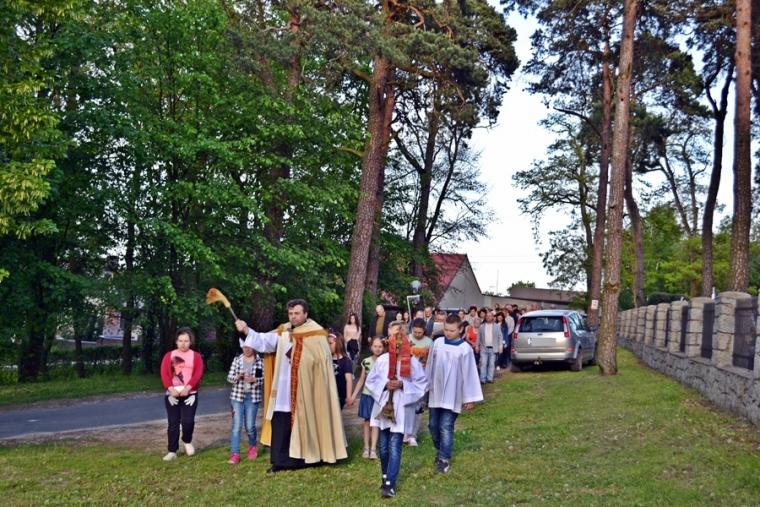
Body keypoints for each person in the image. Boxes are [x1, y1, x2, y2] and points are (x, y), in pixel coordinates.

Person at [234, 299, 347, 473]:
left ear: (306, 314)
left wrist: (299, 357)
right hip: (283, 388)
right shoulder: (284, 332)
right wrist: (246, 330)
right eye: (290, 313)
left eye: (297, 313)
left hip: (307, 388)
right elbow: (264, 341)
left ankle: (311, 458)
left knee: (308, 420)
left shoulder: (316, 334)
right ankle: (280, 461)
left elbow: (320, 363)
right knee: (280, 421)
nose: (293, 317)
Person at [365, 322, 427, 498]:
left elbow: (421, 384)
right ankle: (385, 476)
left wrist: (403, 385)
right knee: (384, 447)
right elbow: (371, 381)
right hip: (384, 406)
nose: (397, 343)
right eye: (394, 338)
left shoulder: (412, 362)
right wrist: (385, 384)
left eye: (401, 339)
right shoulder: (383, 360)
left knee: (394, 446)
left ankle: (390, 484)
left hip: (401, 408)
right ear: (389, 340)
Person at [426, 314, 483, 473]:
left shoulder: (465, 349)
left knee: (446, 426)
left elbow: (469, 374)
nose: (448, 333)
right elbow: (430, 365)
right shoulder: (437, 343)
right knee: (433, 425)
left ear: (460, 329)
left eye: (452, 330)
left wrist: (469, 398)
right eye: (446, 329)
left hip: (453, 394)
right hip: (436, 392)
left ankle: (444, 459)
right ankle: (440, 449)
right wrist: (425, 385)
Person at [160, 327, 205, 461]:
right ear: (176, 341)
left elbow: (198, 373)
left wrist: (189, 387)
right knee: (173, 423)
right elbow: (164, 373)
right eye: (180, 341)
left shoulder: (196, 356)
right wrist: (170, 389)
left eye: (186, 341)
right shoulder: (169, 356)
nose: (183, 344)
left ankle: (187, 440)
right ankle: (172, 451)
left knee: (188, 421)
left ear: (190, 342)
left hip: (190, 394)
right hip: (172, 395)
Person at [226, 334, 264, 464]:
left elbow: (262, 379)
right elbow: (229, 378)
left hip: (252, 398)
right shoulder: (237, 360)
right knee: (236, 426)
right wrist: (237, 376)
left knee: (250, 426)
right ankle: (235, 454)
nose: (246, 349)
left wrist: (254, 380)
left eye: (249, 347)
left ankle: (252, 447)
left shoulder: (259, 361)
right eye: (244, 347)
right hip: (237, 397)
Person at [349, 337, 385, 459]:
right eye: (375, 346)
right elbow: (361, 380)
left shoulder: (385, 361)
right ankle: (366, 448)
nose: (377, 349)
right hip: (367, 395)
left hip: (379, 396)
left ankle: (373, 449)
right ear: (371, 347)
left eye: (380, 346)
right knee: (367, 422)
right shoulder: (366, 361)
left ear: (383, 348)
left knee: (376, 422)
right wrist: (353, 396)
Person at [404, 318, 433, 446]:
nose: (417, 334)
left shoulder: (429, 342)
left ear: (424, 331)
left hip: (422, 378)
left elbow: (431, 361)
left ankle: (413, 435)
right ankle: (404, 432)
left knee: (419, 406)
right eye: (415, 332)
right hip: (408, 378)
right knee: (406, 405)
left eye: (419, 332)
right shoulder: (406, 339)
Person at [328, 330, 354, 410]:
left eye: (330, 343)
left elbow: (349, 380)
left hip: (339, 396)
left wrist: (348, 396)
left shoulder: (346, 361)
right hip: (327, 394)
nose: (328, 346)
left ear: (338, 344)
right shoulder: (326, 359)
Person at [478, 311, 503, 383]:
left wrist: (500, 346)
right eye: (487, 316)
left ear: (493, 317)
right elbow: (478, 337)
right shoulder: (482, 326)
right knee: (483, 364)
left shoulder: (497, 326)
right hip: (484, 348)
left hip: (493, 348)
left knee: (491, 364)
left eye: (490, 316)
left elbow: (500, 337)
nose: (488, 317)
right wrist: (477, 345)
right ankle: (482, 379)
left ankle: (490, 378)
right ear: (485, 317)